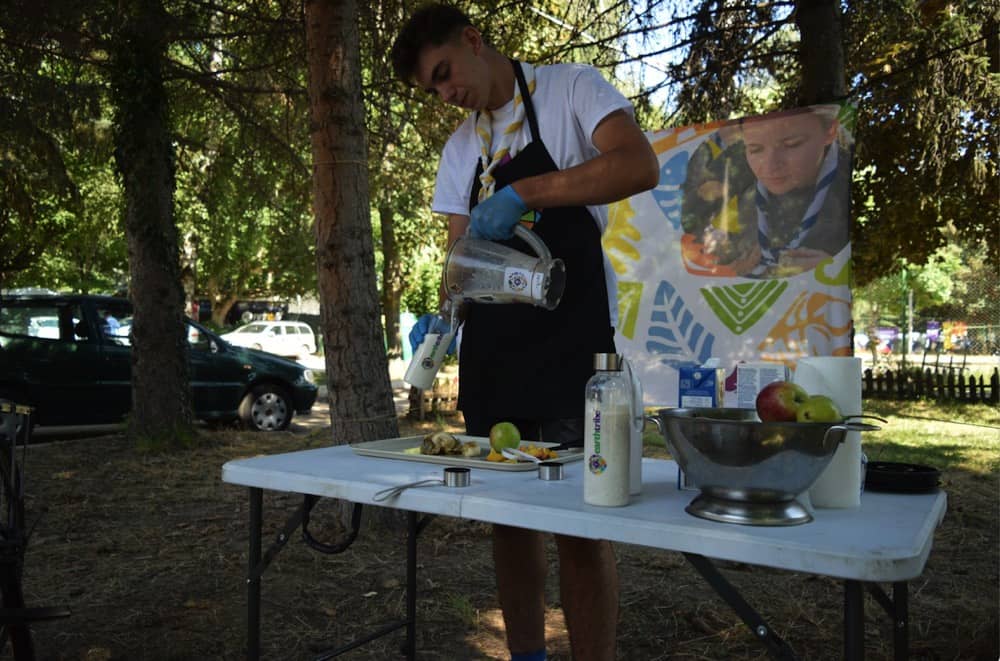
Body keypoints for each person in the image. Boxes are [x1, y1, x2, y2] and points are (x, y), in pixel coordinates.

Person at [391, 5, 658, 661]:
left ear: (473, 40)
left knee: (581, 523)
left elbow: (638, 164)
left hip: (572, 341)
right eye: (433, 89)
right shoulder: (462, 149)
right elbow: (462, 260)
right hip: (495, 354)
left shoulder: (571, 90)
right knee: (508, 522)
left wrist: (526, 192)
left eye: (445, 73)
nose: (446, 94)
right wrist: (444, 316)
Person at [680, 105, 852, 278]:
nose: (770, 166)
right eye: (755, 149)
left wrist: (835, 272)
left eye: (792, 145)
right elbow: (684, 215)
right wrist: (723, 268)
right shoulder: (736, 162)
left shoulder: (852, 177)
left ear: (830, 132)